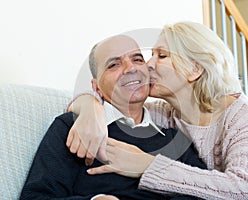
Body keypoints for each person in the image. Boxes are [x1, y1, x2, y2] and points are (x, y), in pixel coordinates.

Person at [67, 21, 248, 200]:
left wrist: (147, 166)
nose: (148, 64)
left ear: (194, 69)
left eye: (162, 55)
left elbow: (246, 190)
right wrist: (89, 107)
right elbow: (114, 104)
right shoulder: (163, 115)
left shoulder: (240, 112)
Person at [20, 34, 207, 200]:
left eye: (137, 59)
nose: (130, 68)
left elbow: (203, 193)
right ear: (96, 87)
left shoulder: (175, 138)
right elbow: (35, 196)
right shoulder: (72, 127)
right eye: (114, 64)